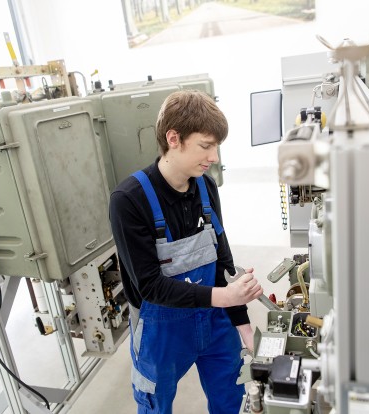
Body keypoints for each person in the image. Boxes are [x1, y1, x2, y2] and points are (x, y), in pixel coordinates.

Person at [109, 89, 263, 414]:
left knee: (232, 401)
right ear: (173, 138)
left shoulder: (205, 186)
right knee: (155, 407)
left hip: (215, 322)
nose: (215, 157)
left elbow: (223, 259)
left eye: (216, 146)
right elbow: (149, 285)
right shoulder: (129, 200)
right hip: (161, 334)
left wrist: (243, 326)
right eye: (206, 146)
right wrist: (224, 297)